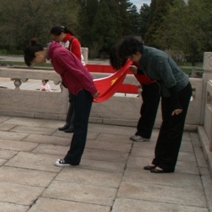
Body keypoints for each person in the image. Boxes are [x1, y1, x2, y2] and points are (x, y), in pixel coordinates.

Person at [117, 36, 192, 173]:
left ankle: (168, 164)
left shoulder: (158, 57)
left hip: (178, 91)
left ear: (137, 52)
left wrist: (176, 104)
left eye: (131, 57)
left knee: (174, 128)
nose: (131, 59)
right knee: (165, 126)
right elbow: (153, 73)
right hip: (166, 90)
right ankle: (158, 160)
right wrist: (138, 71)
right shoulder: (144, 56)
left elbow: (171, 81)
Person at [25, 39, 99, 167]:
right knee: (79, 125)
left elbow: (78, 71)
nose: (37, 63)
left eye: (35, 61)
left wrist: (92, 89)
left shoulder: (58, 53)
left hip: (82, 90)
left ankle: (72, 159)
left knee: (80, 126)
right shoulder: (55, 54)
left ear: (38, 54)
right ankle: (74, 158)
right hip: (78, 89)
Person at [110, 43, 160, 142]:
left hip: (154, 85)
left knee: (149, 111)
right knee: (145, 110)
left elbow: (150, 72)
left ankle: (144, 134)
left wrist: (140, 74)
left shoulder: (136, 59)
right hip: (146, 85)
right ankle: (141, 132)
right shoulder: (131, 61)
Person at [50, 26, 84, 133]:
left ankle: (73, 124)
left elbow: (77, 61)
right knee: (72, 100)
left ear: (61, 34)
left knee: (76, 100)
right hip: (68, 74)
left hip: (76, 74)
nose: (55, 39)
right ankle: (69, 123)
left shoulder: (74, 42)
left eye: (56, 37)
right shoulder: (61, 43)